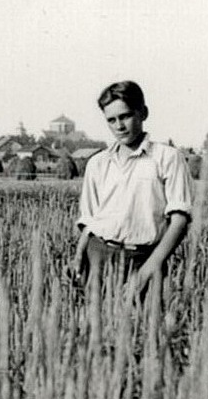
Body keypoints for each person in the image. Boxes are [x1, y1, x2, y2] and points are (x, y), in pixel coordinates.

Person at [71, 81, 193, 312]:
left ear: (143, 113)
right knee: (97, 333)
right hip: (98, 256)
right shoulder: (97, 163)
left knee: (145, 334)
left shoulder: (168, 158)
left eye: (125, 116)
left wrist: (145, 273)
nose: (119, 126)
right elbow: (89, 220)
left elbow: (179, 222)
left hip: (144, 259)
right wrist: (79, 255)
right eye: (111, 120)